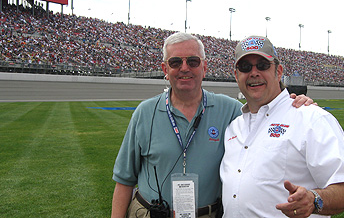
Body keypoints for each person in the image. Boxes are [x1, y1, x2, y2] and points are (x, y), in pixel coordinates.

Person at [111, 32, 315, 218]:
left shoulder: (232, 111)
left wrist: (293, 103)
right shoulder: (145, 113)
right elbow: (124, 180)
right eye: (175, 62)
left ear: (204, 67)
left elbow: (265, 113)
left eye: (192, 61)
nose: (184, 68)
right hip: (151, 213)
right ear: (165, 69)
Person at [220, 35, 344, 218]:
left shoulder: (311, 118)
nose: (254, 73)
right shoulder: (234, 127)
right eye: (245, 67)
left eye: (262, 65)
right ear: (236, 75)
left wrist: (313, 200)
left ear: (278, 72)